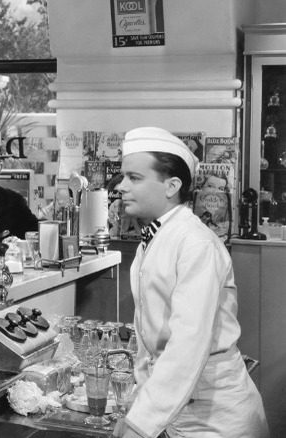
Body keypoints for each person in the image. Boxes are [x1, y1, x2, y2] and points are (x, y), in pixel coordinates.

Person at [113, 127, 268, 438]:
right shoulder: (154, 239)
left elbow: (188, 342)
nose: (121, 186)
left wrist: (141, 423)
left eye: (134, 178)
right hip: (179, 408)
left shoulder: (195, 243)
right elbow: (150, 344)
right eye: (122, 177)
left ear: (171, 186)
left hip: (215, 418)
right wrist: (139, 409)